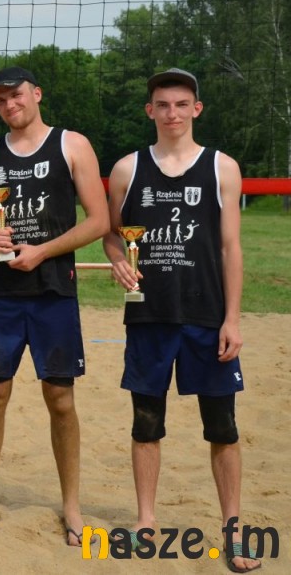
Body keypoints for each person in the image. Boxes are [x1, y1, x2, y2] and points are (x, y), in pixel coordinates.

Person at [104, 68, 259, 572]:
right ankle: (146, 522)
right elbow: (112, 233)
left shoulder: (222, 167)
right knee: (146, 424)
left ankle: (233, 530)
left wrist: (232, 319)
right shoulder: (127, 169)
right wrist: (117, 259)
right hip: (148, 316)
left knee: (223, 428)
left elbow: (230, 248)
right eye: (163, 104)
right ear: (149, 110)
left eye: (181, 104)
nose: (172, 113)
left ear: (197, 109)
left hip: (206, 317)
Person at [0, 65, 108, 545]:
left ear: (36, 94)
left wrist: (43, 251)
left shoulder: (71, 145)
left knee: (60, 399)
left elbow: (99, 221)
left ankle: (72, 508)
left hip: (53, 290)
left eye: (16, 95)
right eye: (0, 99)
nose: (9, 104)